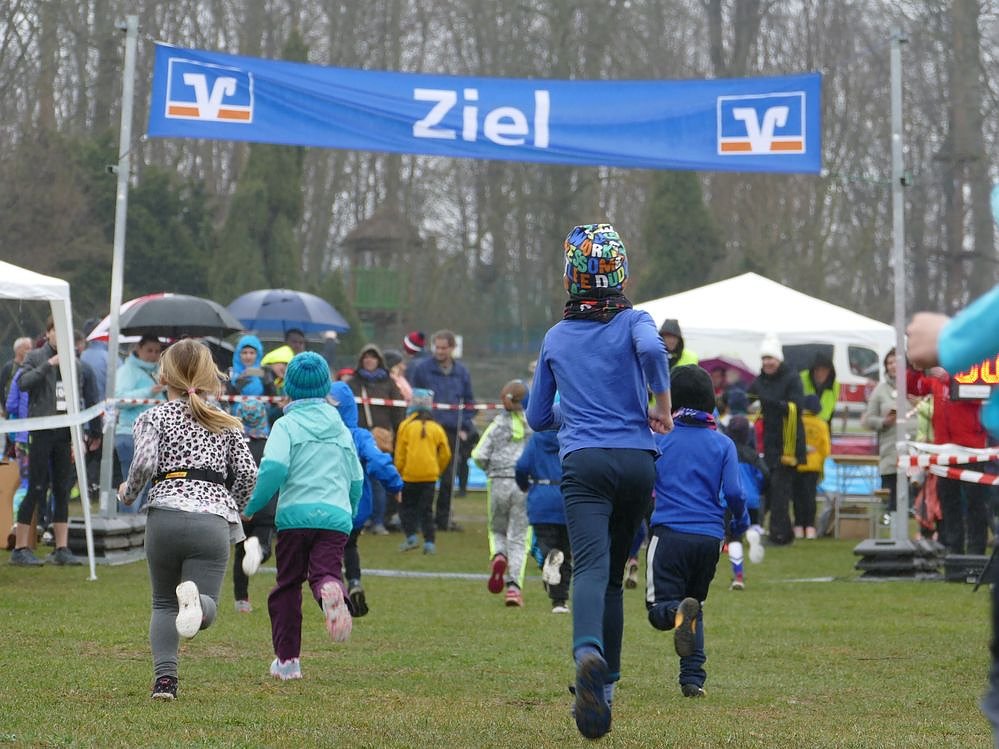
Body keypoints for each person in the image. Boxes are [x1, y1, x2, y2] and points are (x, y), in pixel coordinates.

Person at [525, 223, 672, 740]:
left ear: (570, 276)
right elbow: (653, 352)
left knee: (588, 566)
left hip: (584, 462)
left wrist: (574, 413)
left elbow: (537, 417)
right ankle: (604, 693)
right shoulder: (636, 320)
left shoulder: (556, 336)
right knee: (613, 576)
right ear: (621, 273)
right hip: (636, 462)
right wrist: (661, 405)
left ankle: (587, 651)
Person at [116, 339, 258, 700]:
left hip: (164, 515)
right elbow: (248, 472)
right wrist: (237, 505)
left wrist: (127, 494)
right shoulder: (225, 421)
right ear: (210, 377)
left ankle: (165, 681)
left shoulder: (153, 417)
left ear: (164, 377)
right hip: (211, 519)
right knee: (206, 605)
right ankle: (198, 605)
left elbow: (144, 464)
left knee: (163, 603)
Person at [904, 284, 999, 748]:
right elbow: (913, 384)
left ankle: (975, 556)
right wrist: (910, 362)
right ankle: (953, 555)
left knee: (978, 510)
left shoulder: (974, 374)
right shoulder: (940, 381)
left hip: (977, 452)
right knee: (951, 513)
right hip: (945, 456)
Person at [243, 351, 363, 681]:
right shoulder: (340, 428)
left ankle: (287, 661)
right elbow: (356, 478)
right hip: (335, 517)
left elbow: (274, 468)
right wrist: (350, 512)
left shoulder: (286, 425)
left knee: (288, 586)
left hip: (295, 517)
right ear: (326, 386)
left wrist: (252, 506)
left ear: (289, 388)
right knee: (325, 573)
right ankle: (331, 589)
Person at [645, 365, 748, 698]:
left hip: (669, 533)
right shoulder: (723, 444)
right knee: (694, 604)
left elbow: (644, 481)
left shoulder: (659, 439)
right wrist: (740, 521)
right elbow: (734, 492)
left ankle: (675, 614)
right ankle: (693, 679)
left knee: (659, 609)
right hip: (709, 538)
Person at [9, 317, 101, 566]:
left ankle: (62, 547)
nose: (61, 337)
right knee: (36, 487)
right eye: (56, 331)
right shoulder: (35, 356)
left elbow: (85, 397)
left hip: (64, 431)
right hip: (41, 430)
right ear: (48, 333)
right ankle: (20, 548)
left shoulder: (77, 364)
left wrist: (90, 432)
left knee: (61, 488)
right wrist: (48, 365)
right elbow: (23, 383)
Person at [330, 381, 403, 616]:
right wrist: (395, 484)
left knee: (328, 550)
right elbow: (379, 461)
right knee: (350, 545)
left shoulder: (320, 435)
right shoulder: (360, 436)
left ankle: (336, 589)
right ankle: (355, 582)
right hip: (356, 508)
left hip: (327, 506)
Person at [407, 329, 475, 532]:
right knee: (425, 476)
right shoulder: (422, 369)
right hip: (427, 430)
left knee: (448, 478)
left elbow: (469, 402)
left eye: (443, 348)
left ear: (452, 348)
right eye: (437, 347)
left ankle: (443, 520)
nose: (439, 351)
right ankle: (422, 519)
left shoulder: (462, 372)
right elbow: (416, 399)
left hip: (453, 430)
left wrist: (465, 425)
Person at [472, 379, 532, 607]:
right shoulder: (533, 426)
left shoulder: (497, 425)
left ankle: (499, 555)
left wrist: (491, 470)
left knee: (497, 529)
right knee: (519, 536)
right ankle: (514, 587)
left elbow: (479, 454)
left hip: (498, 482)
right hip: (524, 485)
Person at [747, 333, 805, 546]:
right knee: (773, 489)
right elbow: (749, 399)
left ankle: (778, 535)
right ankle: (785, 533)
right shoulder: (759, 380)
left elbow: (797, 406)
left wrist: (771, 404)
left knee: (781, 489)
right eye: (764, 359)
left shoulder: (792, 378)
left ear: (778, 359)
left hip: (788, 444)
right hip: (767, 443)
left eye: (770, 358)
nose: (767, 363)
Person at [348, 343, 405, 535]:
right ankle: (360, 520)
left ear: (379, 360)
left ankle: (378, 521)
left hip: (380, 439)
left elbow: (398, 410)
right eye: (366, 357)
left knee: (378, 480)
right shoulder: (352, 383)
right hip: (356, 438)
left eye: (373, 357)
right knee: (357, 480)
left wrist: (398, 434)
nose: (369, 360)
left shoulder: (389, 383)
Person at [515, 427, 572, 614]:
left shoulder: (537, 440)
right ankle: (559, 601)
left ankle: (549, 555)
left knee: (545, 543)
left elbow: (522, 466)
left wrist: (525, 485)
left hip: (541, 498)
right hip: (567, 497)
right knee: (566, 553)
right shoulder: (571, 437)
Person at [231, 397, 277, 614]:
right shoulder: (272, 445)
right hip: (266, 507)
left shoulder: (236, 444)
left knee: (240, 553)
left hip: (240, 508)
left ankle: (242, 600)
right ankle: (259, 550)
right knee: (263, 546)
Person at [394, 388, 452, 554]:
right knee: (426, 510)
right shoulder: (436, 428)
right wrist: (437, 469)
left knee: (406, 507)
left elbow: (400, 453)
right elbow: (446, 453)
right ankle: (429, 542)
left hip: (409, 475)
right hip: (430, 476)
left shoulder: (405, 426)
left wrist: (398, 471)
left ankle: (411, 536)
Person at [114, 335, 166, 513]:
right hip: (129, 434)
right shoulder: (127, 370)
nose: (153, 355)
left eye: (157, 351)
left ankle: (140, 527)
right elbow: (119, 399)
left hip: (154, 436)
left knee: (149, 489)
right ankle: (126, 524)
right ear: (138, 349)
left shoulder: (160, 372)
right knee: (131, 487)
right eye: (149, 350)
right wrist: (149, 392)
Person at [722, 415, 767, 590]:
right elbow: (765, 474)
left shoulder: (724, 452)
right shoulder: (753, 455)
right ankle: (752, 532)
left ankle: (738, 577)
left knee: (734, 538)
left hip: (730, 499)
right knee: (751, 524)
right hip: (752, 499)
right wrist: (759, 490)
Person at [861, 348, 904, 519]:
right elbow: (867, 420)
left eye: (896, 362)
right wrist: (883, 422)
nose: (893, 366)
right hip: (891, 452)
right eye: (889, 363)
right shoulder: (880, 390)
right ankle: (890, 522)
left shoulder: (917, 387)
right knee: (892, 499)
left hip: (915, 453)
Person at [793, 394, 831, 539]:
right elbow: (826, 449)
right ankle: (810, 528)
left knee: (797, 497)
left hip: (797, 464)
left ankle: (798, 527)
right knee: (810, 497)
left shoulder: (797, 422)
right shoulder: (821, 424)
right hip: (813, 466)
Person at [800, 352, 840, 426]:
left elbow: (832, 409)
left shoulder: (835, 385)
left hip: (823, 424)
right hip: (803, 423)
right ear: (812, 369)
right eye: (817, 369)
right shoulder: (801, 378)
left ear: (830, 371)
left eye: (824, 370)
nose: (819, 374)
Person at [0, 336, 32, 410]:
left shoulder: (31, 366)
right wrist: (4, 407)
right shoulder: (9, 367)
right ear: (18, 350)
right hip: (12, 408)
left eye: (31, 349)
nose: (30, 351)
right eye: (27, 349)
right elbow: (1, 388)